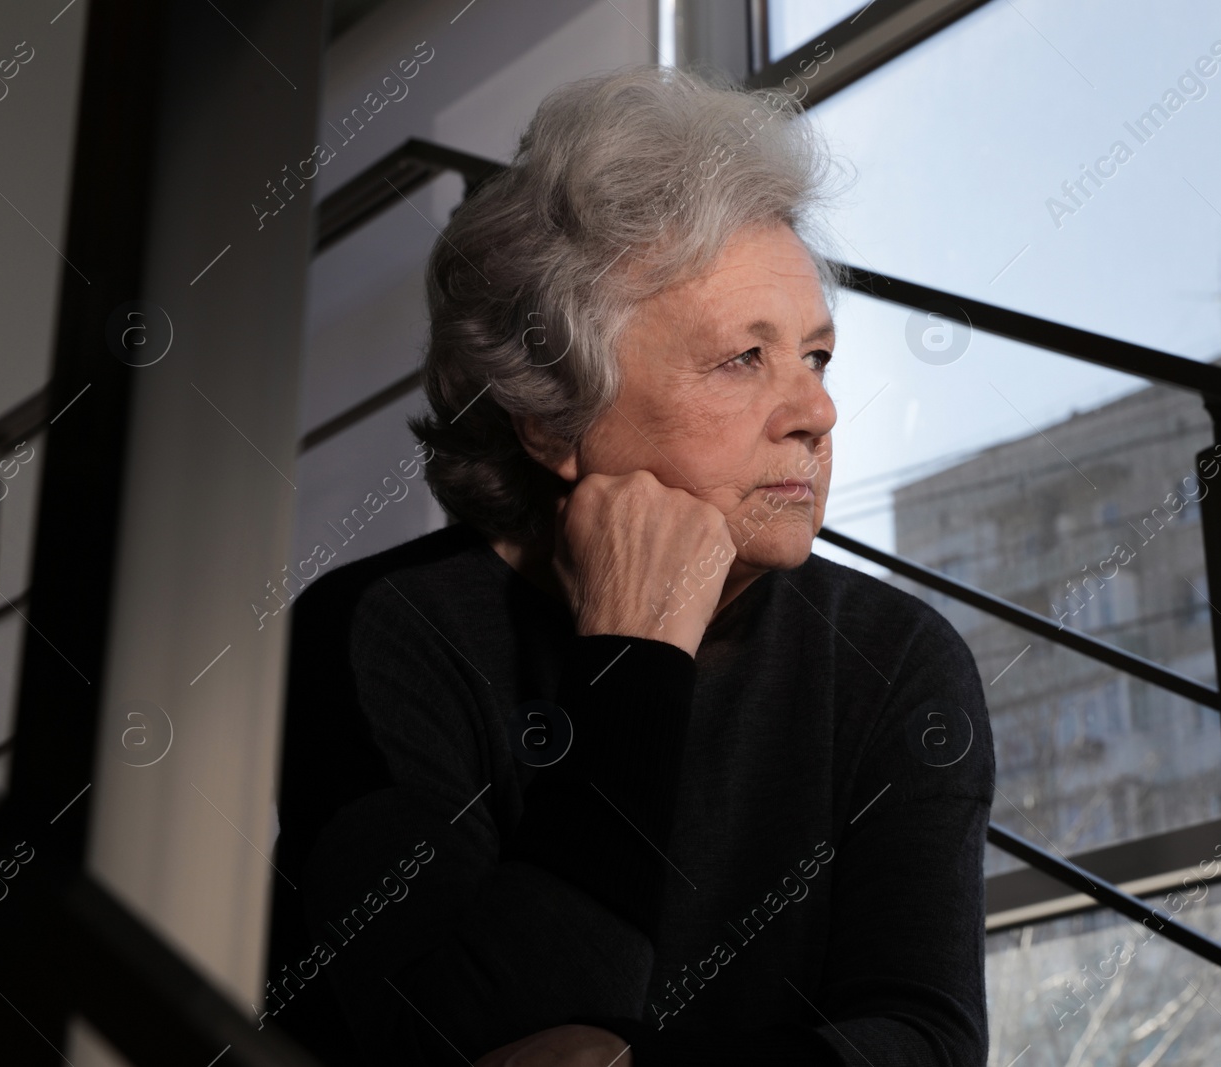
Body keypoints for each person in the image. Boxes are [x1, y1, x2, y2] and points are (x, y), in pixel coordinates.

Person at [266, 63, 995, 1067]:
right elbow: (455, 1041)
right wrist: (638, 649)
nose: (816, 411)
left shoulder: (893, 656)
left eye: (814, 356)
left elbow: (925, 1038)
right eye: (744, 357)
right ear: (550, 414)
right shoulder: (384, 630)